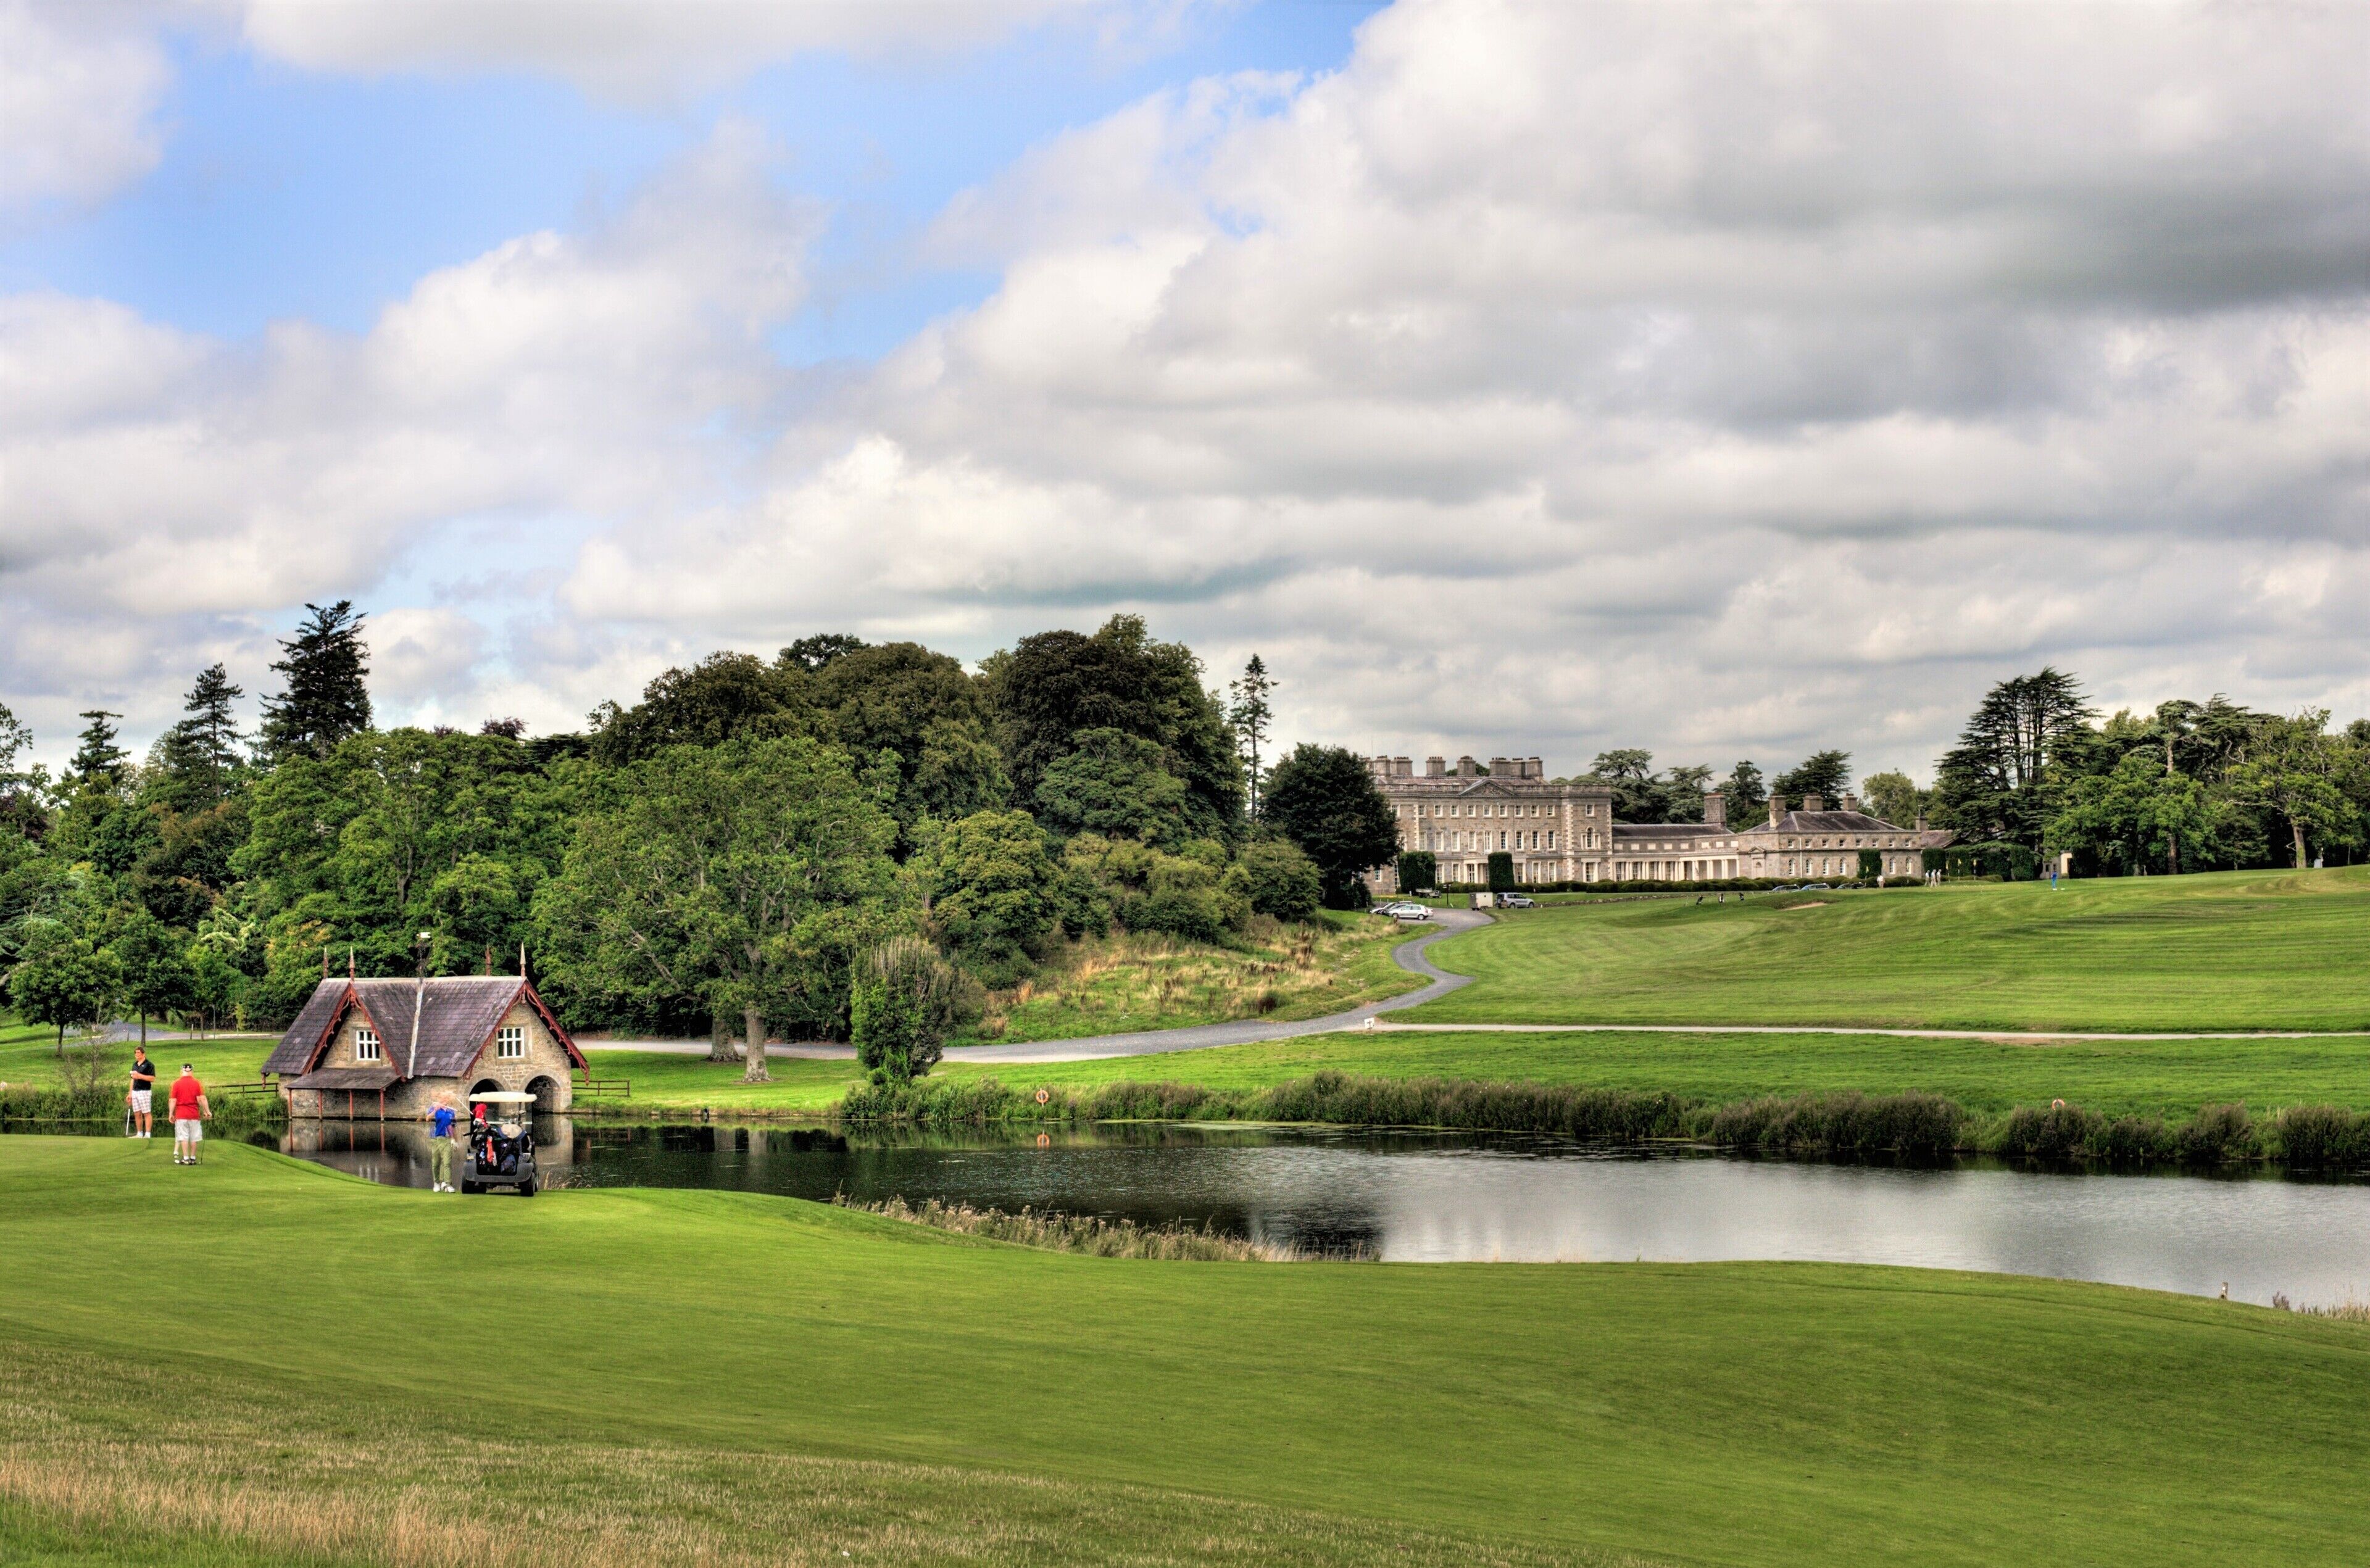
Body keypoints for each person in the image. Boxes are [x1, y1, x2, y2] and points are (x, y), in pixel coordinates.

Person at [167, 1065, 208, 1166]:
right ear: (192, 1071)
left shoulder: (176, 1083)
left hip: (181, 1114)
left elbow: (173, 1100)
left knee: (184, 1137)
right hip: (194, 1114)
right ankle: (193, 1158)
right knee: (194, 1137)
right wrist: (207, 1111)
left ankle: (186, 1158)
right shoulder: (197, 1083)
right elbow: (201, 1099)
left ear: (182, 1071)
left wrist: (171, 1114)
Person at [127, 1047, 158, 1140]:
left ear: (143, 1054)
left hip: (144, 1091)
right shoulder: (135, 1065)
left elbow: (152, 1079)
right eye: (136, 1053)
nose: (137, 1055)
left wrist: (140, 1076)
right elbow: (132, 1079)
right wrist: (130, 1093)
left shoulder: (149, 1065)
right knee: (137, 1113)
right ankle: (139, 1133)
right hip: (135, 1092)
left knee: (146, 1112)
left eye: (139, 1053)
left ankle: (148, 1134)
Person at [428, 1096, 458, 1192]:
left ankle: (447, 1183)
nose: (444, 1101)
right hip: (435, 1138)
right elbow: (428, 1119)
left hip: (447, 1138)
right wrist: (435, 1110)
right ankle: (437, 1182)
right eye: (442, 1099)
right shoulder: (434, 1108)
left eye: (446, 1099)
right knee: (437, 1162)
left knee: (447, 1162)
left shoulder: (451, 1112)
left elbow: (452, 1127)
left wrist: (454, 1140)